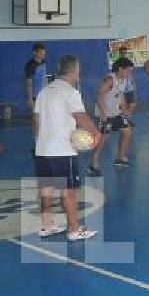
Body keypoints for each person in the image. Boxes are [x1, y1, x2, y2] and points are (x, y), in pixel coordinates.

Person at [33, 54, 99, 241]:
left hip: (43, 150)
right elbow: (81, 117)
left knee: (46, 189)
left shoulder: (44, 91)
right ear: (73, 70)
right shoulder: (71, 92)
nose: (80, 72)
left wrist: (41, 139)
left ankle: (46, 226)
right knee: (68, 191)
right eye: (79, 68)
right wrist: (96, 133)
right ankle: (74, 229)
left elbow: (35, 120)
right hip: (62, 151)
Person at [89, 58, 136, 176]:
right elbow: (99, 94)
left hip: (116, 113)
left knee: (127, 132)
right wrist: (103, 112)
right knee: (103, 139)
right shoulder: (110, 80)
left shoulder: (124, 79)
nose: (129, 74)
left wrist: (124, 108)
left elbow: (120, 95)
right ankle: (93, 163)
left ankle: (120, 159)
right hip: (105, 114)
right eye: (128, 71)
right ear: (120, 69)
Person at [24, 42, 49, 154]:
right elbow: (28, 83)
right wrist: (29, 98)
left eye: (44, 53)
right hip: (35, 96)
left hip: (44, 96)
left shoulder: (43, 62)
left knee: (45, 120)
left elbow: (45, 78)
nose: (43, 55)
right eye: (41, 52)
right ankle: (37, 144)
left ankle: (44, 142)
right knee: (35, 120)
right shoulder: (30, 65)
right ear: (35, 52)